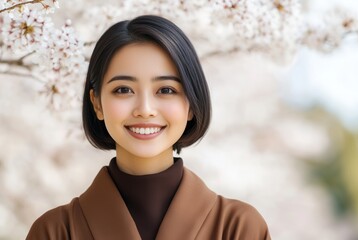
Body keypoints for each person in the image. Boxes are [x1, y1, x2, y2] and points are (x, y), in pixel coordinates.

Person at [26, 15, 271, 240]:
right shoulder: (55, 231)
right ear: (97, 104)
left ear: (191, 105)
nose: (145, 109)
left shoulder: (238, 228)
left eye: (166, 90)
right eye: (123, 90)